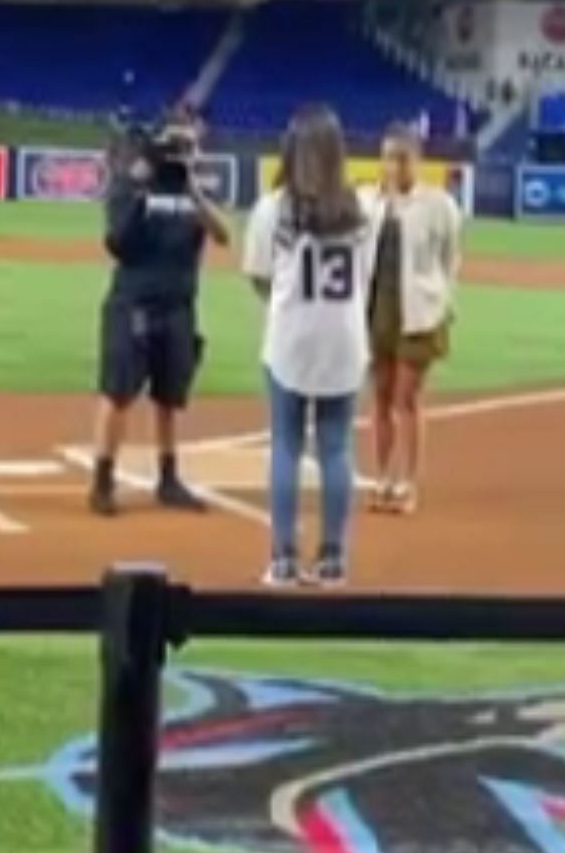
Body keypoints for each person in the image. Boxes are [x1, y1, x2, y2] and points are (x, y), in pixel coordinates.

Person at [242, 105, 374, 588]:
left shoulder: (274, 208)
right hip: (343, 337)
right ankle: (334, 559)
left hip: (291, 337)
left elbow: (258, 276)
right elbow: (367, 277)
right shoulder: (363, 207)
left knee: (286, 446)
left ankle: (282, 559)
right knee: (337, 447)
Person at [85, 115, 232, 517]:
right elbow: (117, 243)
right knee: (117, 393)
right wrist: (143, 188)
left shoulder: (194, 193)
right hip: (133, 303)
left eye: (192, 148)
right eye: (179, 147)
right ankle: (102, 479)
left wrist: (193, 191)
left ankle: (169, 478)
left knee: (170, 397)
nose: (187, 155)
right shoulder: (128, 189)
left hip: (178, 306)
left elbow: (223, 234)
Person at [363, 125, 463, 515]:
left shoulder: (438, 205)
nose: (393, 166)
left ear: (416, 161)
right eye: (388, 157)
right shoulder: (369, 202)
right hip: (377, 310)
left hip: (420, 312)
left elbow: (451, 258)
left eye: (401, 158)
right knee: (381, 397)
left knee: (408, 398)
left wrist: (444, 300)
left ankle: (410, 482)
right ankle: (383, 477)